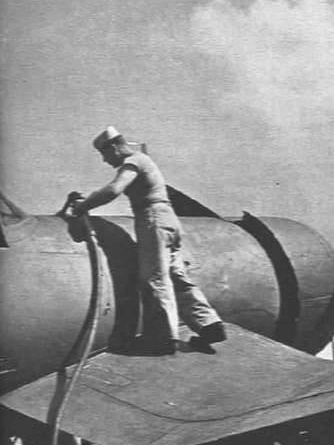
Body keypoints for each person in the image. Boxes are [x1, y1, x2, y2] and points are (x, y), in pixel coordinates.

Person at [70, 126, 226, 355]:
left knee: (153, 277)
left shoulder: (134, 161)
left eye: (104, 154)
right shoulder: (143, 160)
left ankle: (162, 339)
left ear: (113, 147)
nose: (105, 160)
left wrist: (84, 205)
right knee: (176, 276)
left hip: (153, 219)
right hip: (168, 219)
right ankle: (209, 325)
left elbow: (115, 189)